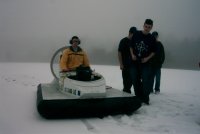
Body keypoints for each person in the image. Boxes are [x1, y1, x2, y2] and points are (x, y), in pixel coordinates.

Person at [129, 19, 156, 105]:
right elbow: (131, 46)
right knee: (135, 79)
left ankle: (145, 98)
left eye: (149, 27)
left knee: (145, 81)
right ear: (143, 25)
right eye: (146, 26)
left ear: (151, 27)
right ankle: (138, 97)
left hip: (145, 63)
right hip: (135, 62)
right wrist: (132, 54)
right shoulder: (136, 34)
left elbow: (154, 51)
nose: (147, 28)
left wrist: (147, 58)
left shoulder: (152, 38)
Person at [118, 27, 137, 93]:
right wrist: (121, 64)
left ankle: (128, 92)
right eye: (133, 34)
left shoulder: (134, 42)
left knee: (132, 80)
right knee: (126, 82)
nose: (134, 36)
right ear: (130, 33)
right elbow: (119, 53)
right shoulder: (123, 41)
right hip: (125, 65)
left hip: (133, 65)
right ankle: (126, 93)